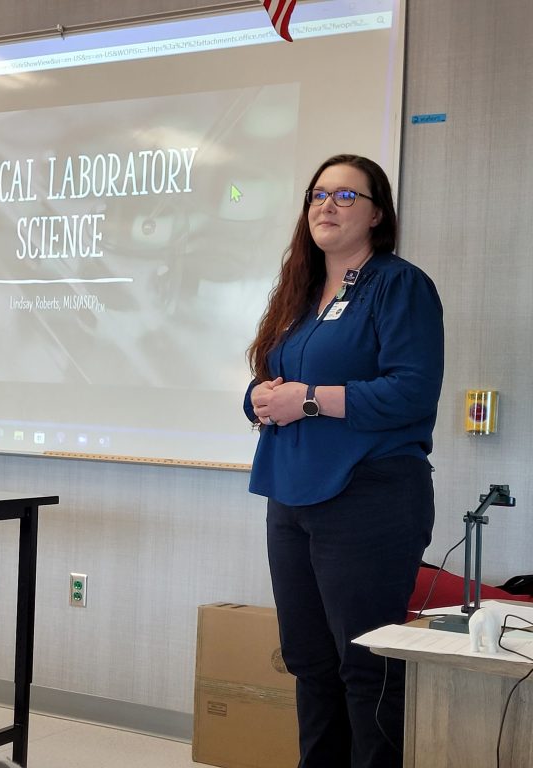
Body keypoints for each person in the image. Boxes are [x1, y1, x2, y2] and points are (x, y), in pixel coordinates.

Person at [244, 154, 443, 768]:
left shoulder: (398, 284)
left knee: (367, 668)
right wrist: (257, 399)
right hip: (292, 494)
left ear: (377, 213)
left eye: (346, 196)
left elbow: (410, 390)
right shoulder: (299, 293)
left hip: (369, 495)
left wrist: (306, 399)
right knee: (310, 663)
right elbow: (272, 381)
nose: (326, 206)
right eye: (318, 194)